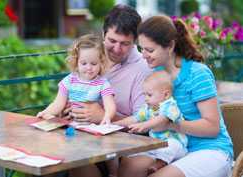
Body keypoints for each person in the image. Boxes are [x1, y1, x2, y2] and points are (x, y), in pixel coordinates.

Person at [118, 15, 233, 177]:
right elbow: (144, 113)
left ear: (170, 46)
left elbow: (212, 128)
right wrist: (109, 125)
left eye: (149, 50)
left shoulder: (197, 73)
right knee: (128, 169)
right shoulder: (158, 75)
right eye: (141, 49)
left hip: (210, 150)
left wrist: (171, 125)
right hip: (174, 146)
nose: (143, 55)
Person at [67, 4, 151, 177]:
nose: (117, 49)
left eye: (125, 44)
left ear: (134, 41)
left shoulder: (143, 69)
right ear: (103, 34)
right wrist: (69, 108)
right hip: (83, 134)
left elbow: (144, 124)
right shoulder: (91, 57)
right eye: (112, 41)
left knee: (73, 158)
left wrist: (104, 116)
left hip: (121, 146)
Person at [115, 70, 187, 175]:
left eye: (149, 95)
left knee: (171, 146)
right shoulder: (148, 108)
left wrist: (145, 125)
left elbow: (162, 119)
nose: (146, 99)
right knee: (139, 149)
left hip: (175, 144)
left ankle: (160, 163)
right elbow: (135, 118)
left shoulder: (170, 105)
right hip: (155, 144)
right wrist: (117, 124)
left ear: (166, 95)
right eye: (144, 95)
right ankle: (155, 159)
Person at [37, 34, 116, 125]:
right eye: (83, 63)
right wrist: (46, 112)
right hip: (71, 125)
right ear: (76, 62)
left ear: (101, 63)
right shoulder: (69, 80)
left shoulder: (102, 83)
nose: (88, 67)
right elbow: (58, 103)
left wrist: (107, 116)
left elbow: (110, 105)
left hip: (92, 127)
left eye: (94, 63)